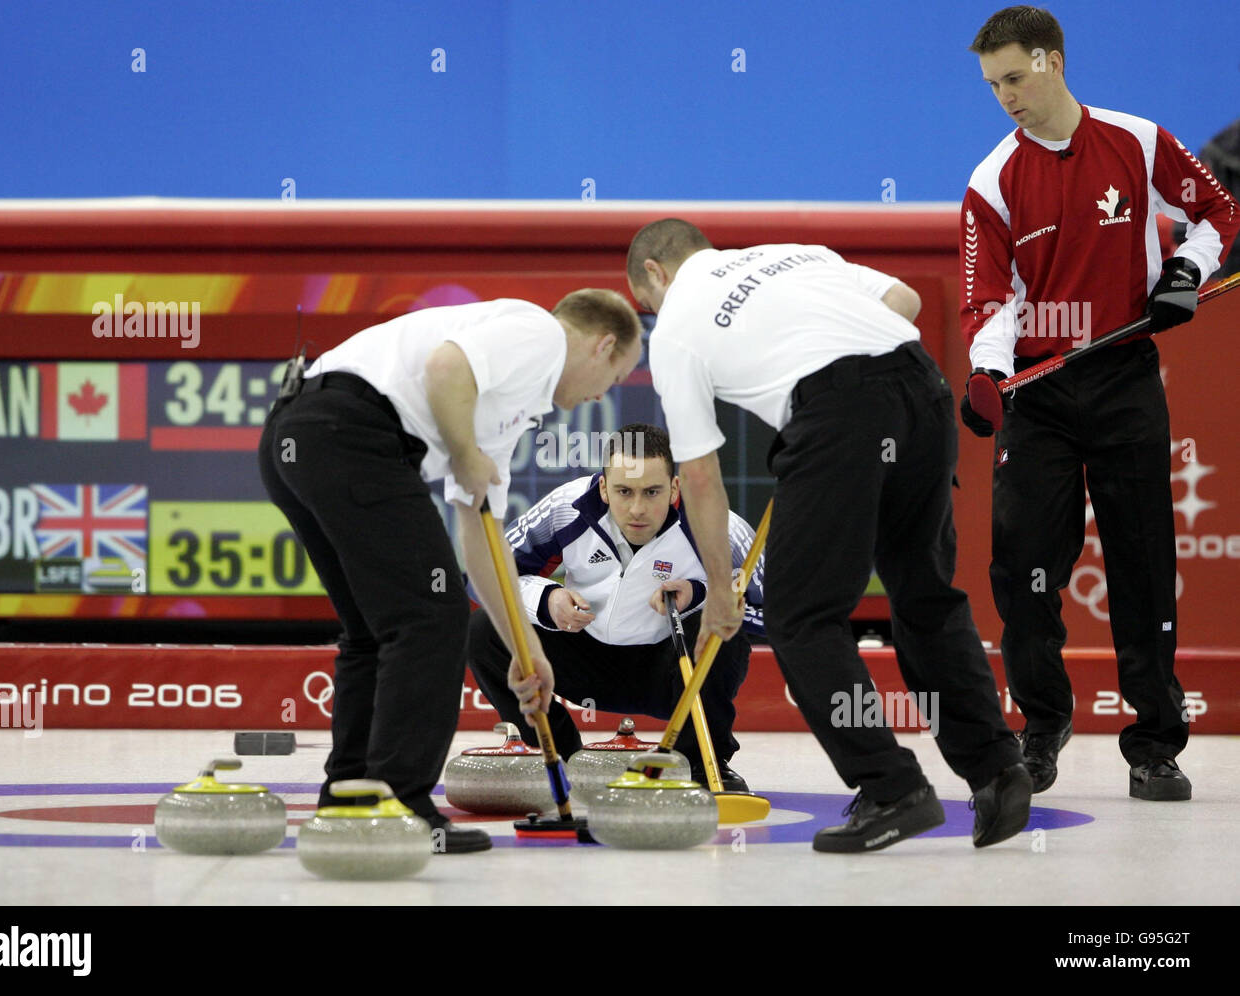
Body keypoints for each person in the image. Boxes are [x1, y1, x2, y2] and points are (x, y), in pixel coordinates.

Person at [609, 218, 1030, 853]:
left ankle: (891, 788)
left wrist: (720, 592)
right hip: (923, 389)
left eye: (647, 304)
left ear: (654, 274)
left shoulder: (675, 329)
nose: (652, 313)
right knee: (923, 597)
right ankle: (998, 770)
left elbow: (697, 475)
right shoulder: (789, 254)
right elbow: (905, 303)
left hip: (837, 417)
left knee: (801, 616)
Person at [958, 6, 1239, 801]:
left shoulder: (1139, 140)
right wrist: (986, 371)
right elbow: (986, 297)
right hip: (1039, 393)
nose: (1005, 96)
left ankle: (1155, 745)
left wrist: (1185, 271)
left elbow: (1220, 212)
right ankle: (1042, 728)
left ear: (1051, 61)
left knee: (1144, 566)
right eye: (992, 85)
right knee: (1025, 573)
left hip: (1124, 376)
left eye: (1014, 77)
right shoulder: (991, 179)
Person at [258, 290, 642, 852]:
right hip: (350, 432)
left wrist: (525, 648)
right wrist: (463, 452)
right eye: (613, 378)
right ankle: (398, 807)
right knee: (431, 619)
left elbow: (479, 532)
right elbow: (446, 366)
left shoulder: (506, 403)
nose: (598, 397)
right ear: (604, 345)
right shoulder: (539, 335)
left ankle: (351, 800)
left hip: (296, 435)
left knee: (375, 629)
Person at [471, 422, 761, 788]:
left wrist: (703, 594)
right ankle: (556, 756)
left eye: (652, 492)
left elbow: (770, 613)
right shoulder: (567, 507)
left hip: (673, 670)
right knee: (484, 631)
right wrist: (547, 600)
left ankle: (699, 764)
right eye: (624, 491)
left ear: (675, 488)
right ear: (604, 487)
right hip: (582, 658)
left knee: (723, 635)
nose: (637, 509)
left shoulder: (720, 526)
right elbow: (487, 574)